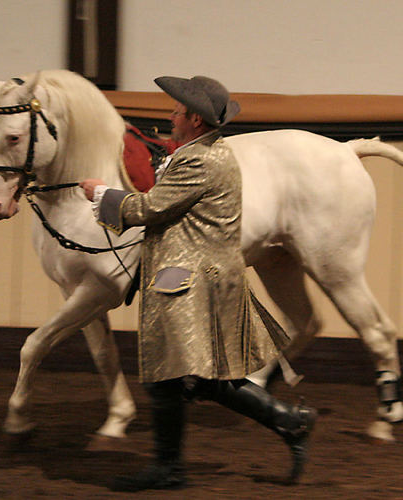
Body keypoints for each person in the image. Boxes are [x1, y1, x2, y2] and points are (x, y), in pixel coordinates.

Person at [79, 75, 316, 491]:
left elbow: (149, 209)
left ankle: (170, 467)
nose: (170, 116)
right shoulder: (204, 153)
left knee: (168, 376)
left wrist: (102, 195)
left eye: (176, 111)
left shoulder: (199, 161)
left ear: (195, 120)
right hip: (200, 277)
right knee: (202, 379)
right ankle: (287, 422)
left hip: (189, 281)